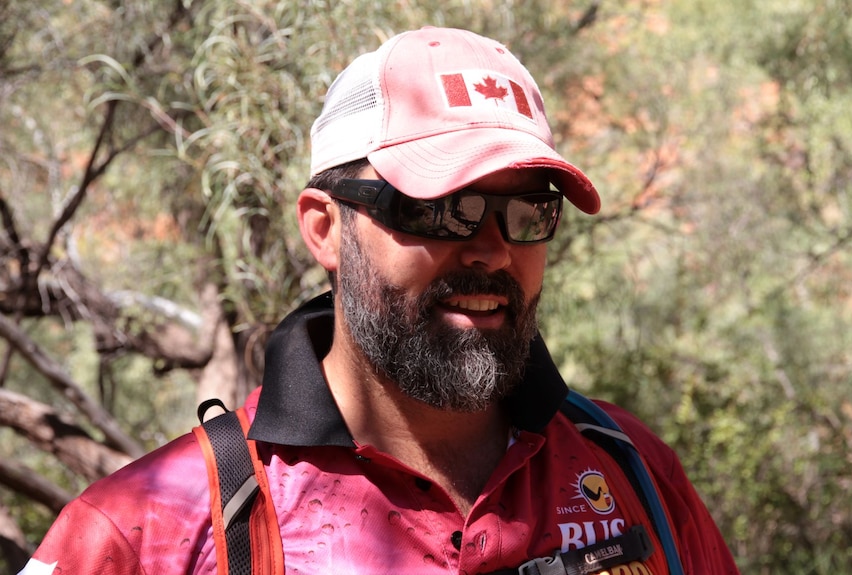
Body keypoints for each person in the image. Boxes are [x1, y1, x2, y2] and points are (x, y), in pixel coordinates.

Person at [18, 27, 739, 575]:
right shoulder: (149, 529)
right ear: (326, 228)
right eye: (442, 209)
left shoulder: (631, 470)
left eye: (527, 213)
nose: (492, 249)